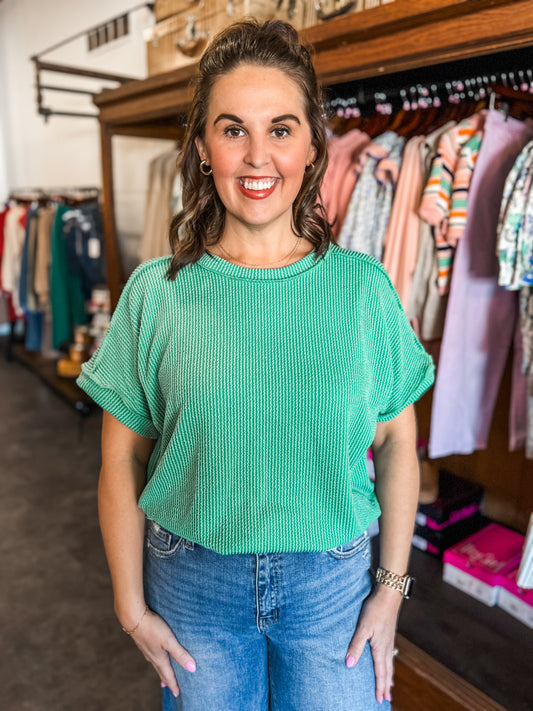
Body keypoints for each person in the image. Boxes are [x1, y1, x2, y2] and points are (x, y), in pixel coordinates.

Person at [77, 19, 434, 711]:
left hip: (331, 583)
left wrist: (390, 592)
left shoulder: (363, 289)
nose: (256, 155)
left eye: (280, 128)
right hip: (192, 585)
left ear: (310, 145)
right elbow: (120, 460)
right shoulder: (157, 291)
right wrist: (128, 605)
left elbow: (395, 443)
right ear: (204, 146)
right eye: (232, 128)